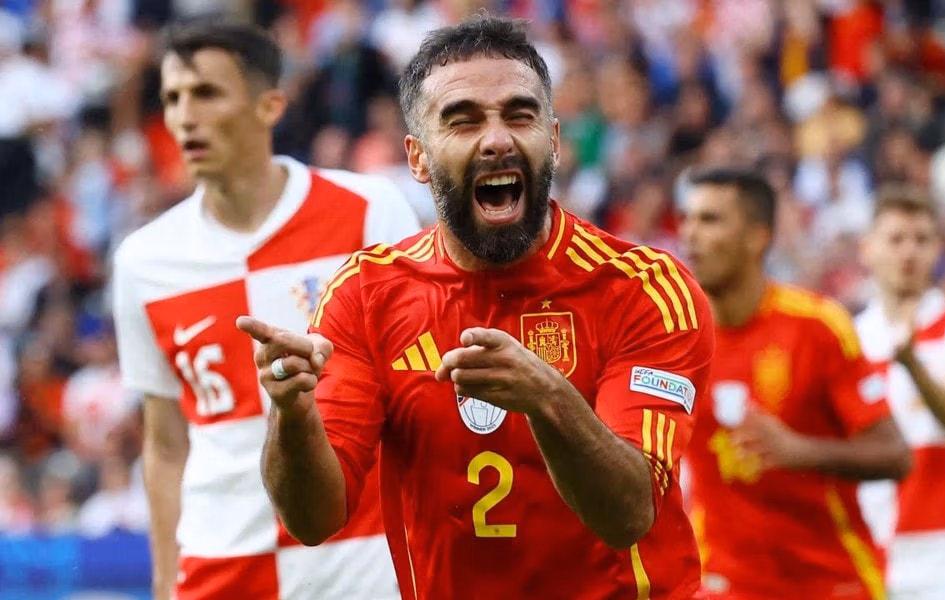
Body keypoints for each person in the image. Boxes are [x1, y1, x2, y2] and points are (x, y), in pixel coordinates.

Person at [237, 15, 716, 600]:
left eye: (519, 115)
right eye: (463, 121)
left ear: (554, 140)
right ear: (417, 158)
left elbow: (628, 514)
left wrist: (547, 397)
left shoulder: (643, 289)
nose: (496, 140)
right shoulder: (365, 294)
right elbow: (312, 521)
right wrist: (291, 414)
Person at [111, 21, 419, 600]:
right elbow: (166, 444)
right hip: (221, 562)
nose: (184, 116)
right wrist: (164, 581)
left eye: (206, 93)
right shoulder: (142, 261)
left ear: (269, 106)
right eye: (173, 98)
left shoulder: (369, 210)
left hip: (359, 556)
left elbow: (415, 394)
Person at [678, 167, 911, 600]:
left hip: (830, 581)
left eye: (710, 220)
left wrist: (799, 451)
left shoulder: (817, 326)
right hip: (725, 582)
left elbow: (895, 456)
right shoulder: (677, 338)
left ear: (757, 238)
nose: (690, 234)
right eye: (687, 219)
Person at [855, 186, 945, 600]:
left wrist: (912, 365)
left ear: (938, 249)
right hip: (868, 554)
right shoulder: (850, 338)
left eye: (921, 239)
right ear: (867, 248)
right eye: (896, 238)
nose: (909, 251)